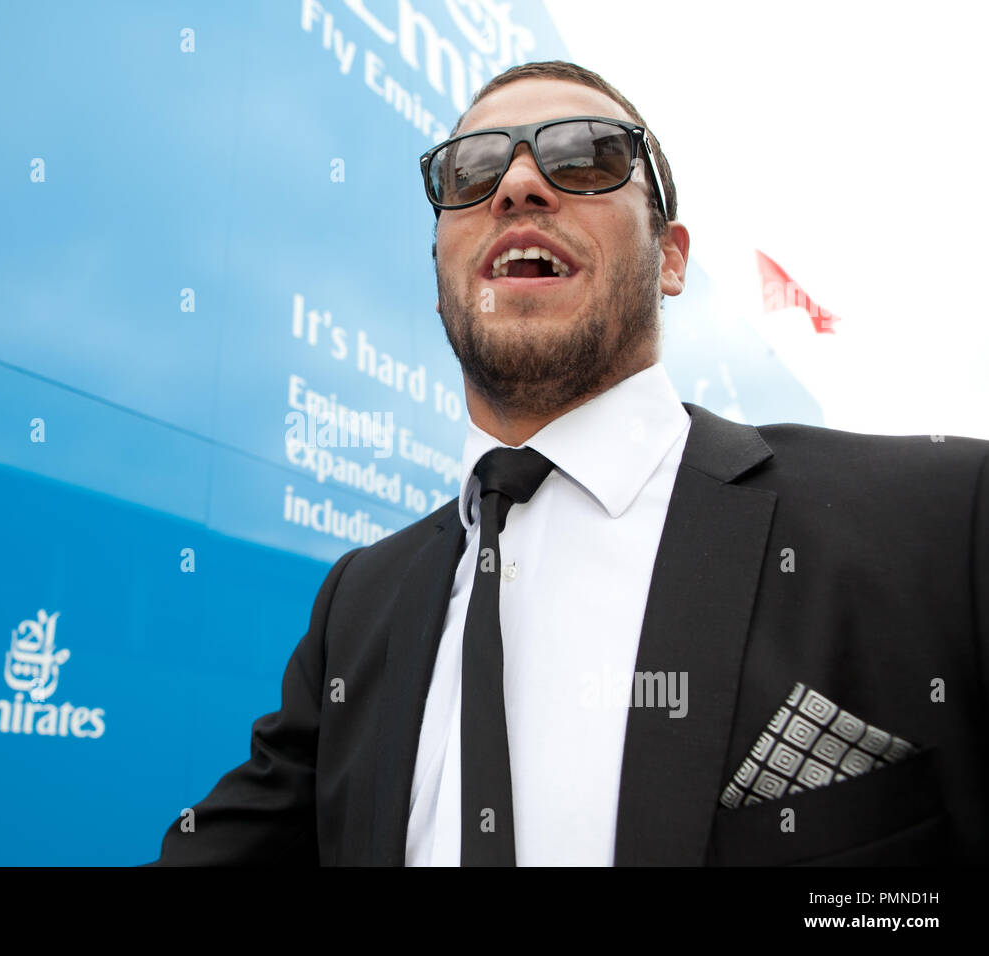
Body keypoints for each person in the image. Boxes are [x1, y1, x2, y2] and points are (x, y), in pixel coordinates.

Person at [149, 60, 988, 866]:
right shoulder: (358, 605)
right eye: (471, 170)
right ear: (441, 274)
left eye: (586, 155)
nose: (517, 185)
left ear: (671, 257)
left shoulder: (944, 524)